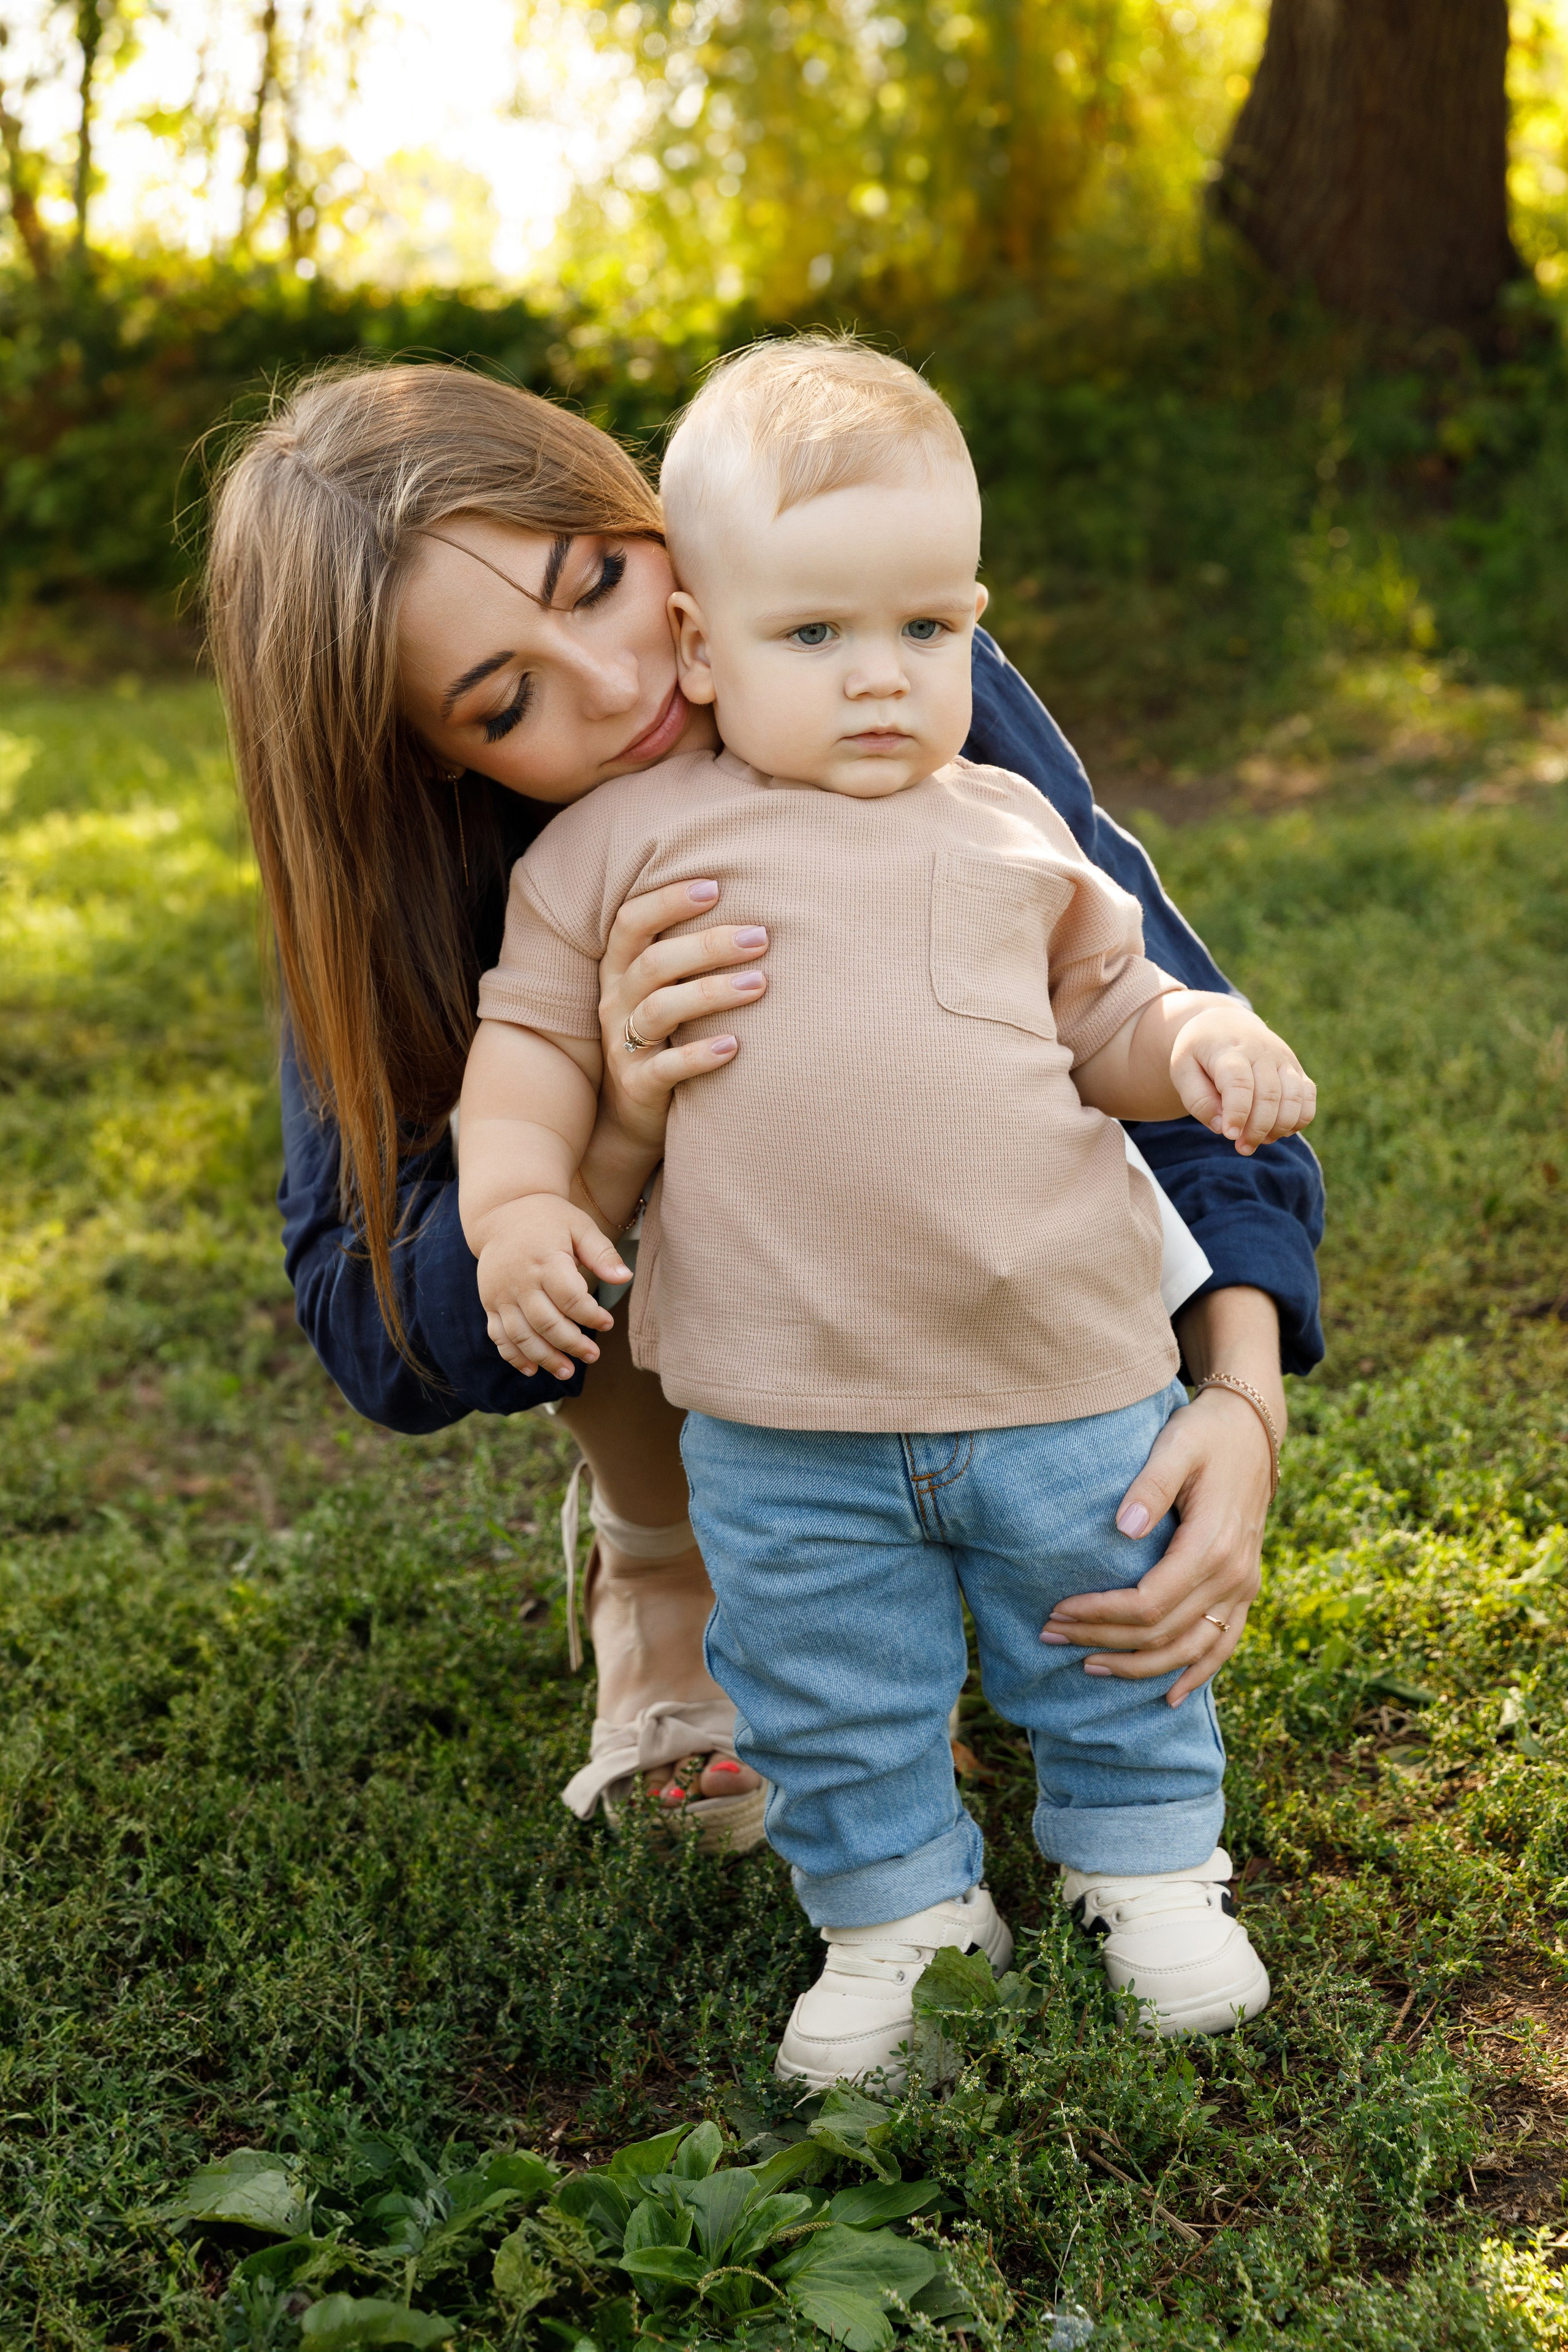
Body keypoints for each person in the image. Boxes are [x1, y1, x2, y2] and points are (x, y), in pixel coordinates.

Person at [203, 358, 1323, 1869]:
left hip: (972, 1271)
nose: (621, 684)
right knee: (577, 1149)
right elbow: (380, 1323)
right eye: (506, 699)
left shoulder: (860, 646)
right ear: (425, 756)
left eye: (600, 581)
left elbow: (1164, 1032)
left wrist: (1239, 1401)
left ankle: (931, 1522)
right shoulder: (396, 875)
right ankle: (666, 1561)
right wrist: (614, 1128)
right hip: (700, 1291)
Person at [458, 337, 1317, 2078]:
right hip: (781, 1410)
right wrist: (520, 1204)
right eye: (813, 635)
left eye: (924, 629)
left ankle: (1147, 1868)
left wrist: (1197, 1043)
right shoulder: (614, 848)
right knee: (822, 1677)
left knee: (1109, 1626)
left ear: (973, 625)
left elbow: (1109, 1020)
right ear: (703, 645)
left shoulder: (1007, 825)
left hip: (1060, 1371)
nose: (878, 678)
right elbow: (528, 1048)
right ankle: (898, 1918)